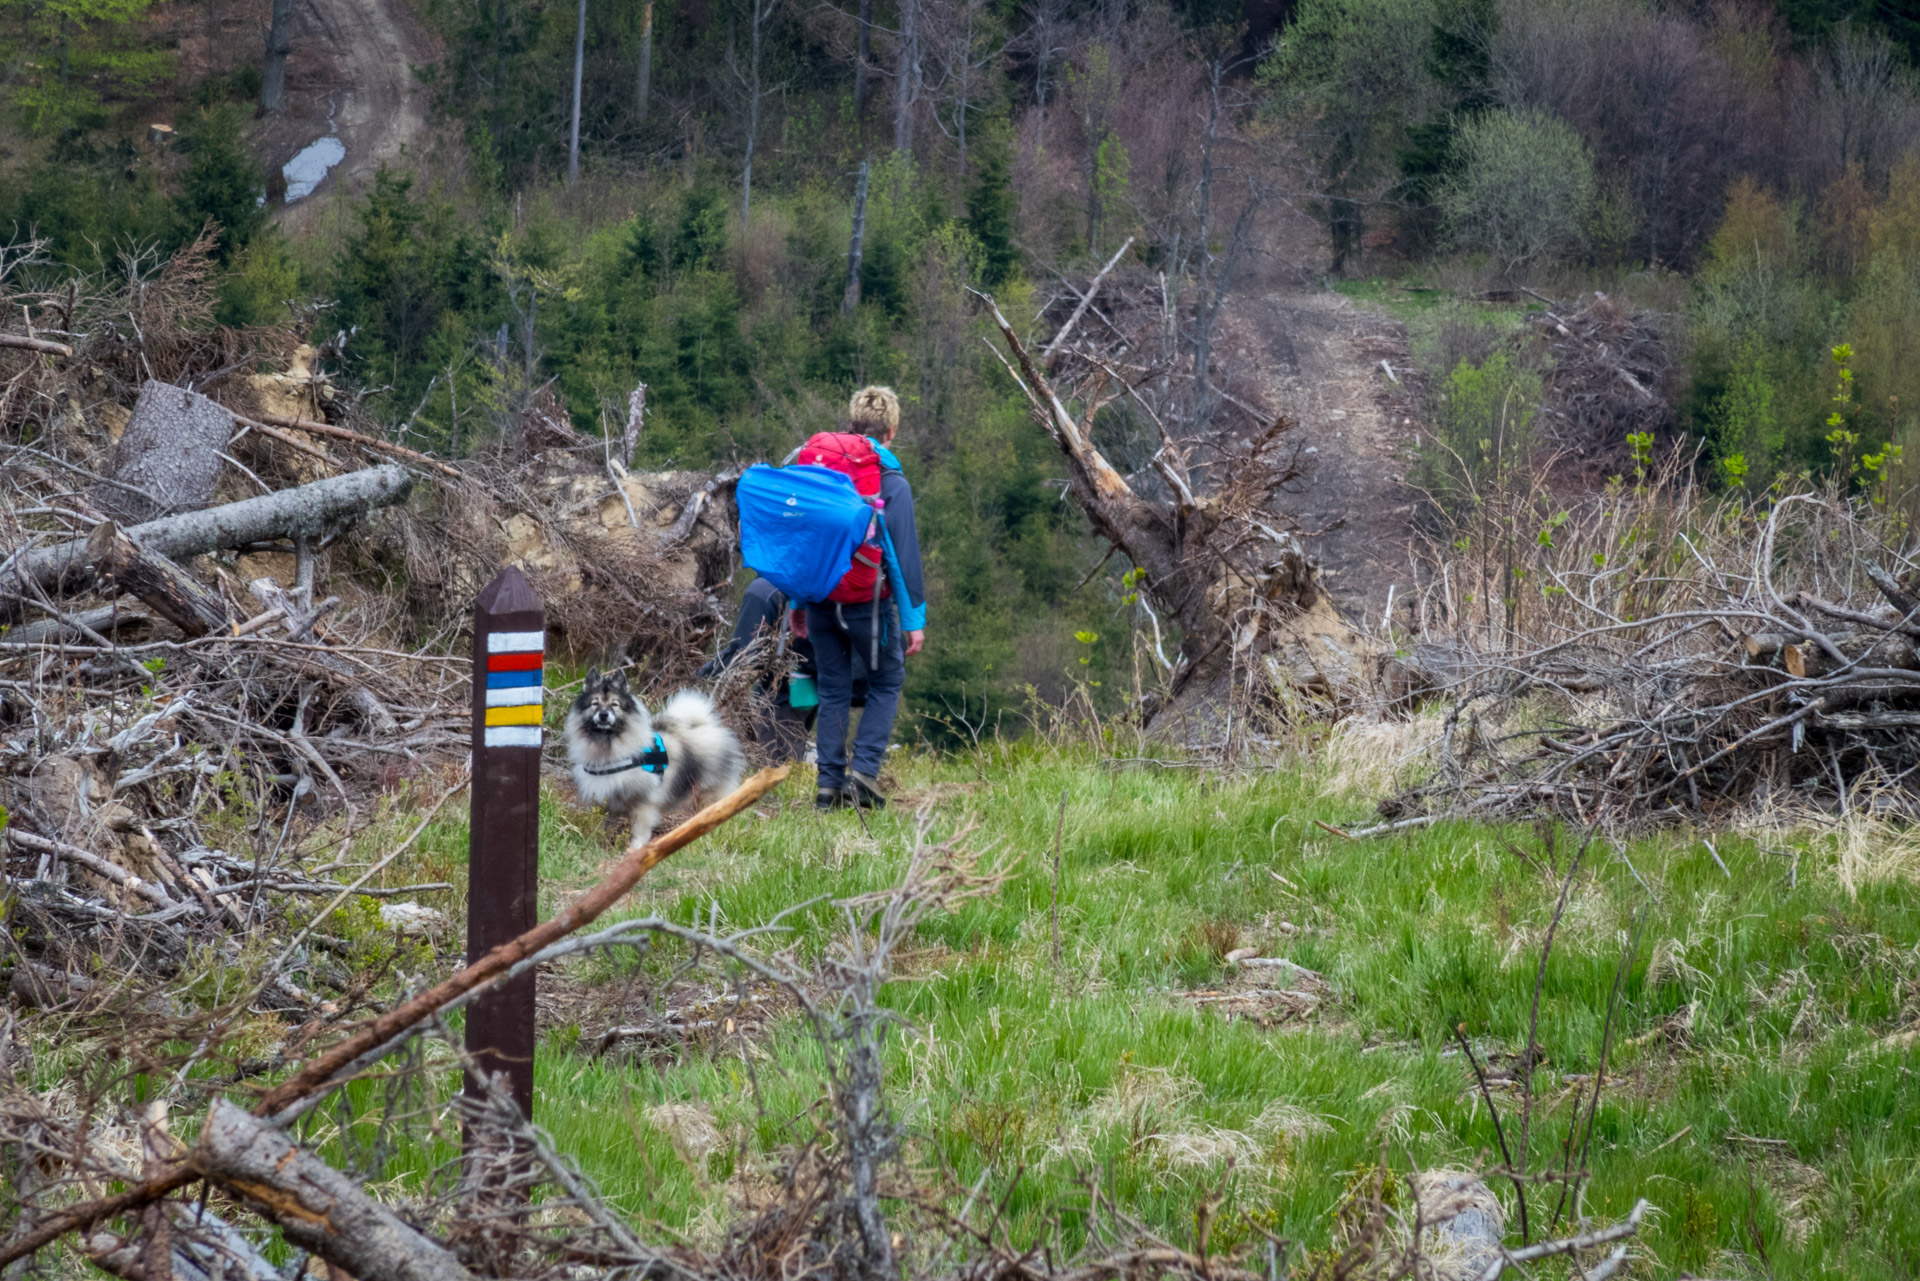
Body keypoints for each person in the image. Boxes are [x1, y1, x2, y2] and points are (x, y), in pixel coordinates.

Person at [805, 386, 926, 810]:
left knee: (834, 689)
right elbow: (904, 555)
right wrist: (914, 621)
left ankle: (827, 787)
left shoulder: (820, 469)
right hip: (868, 604)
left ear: (852, 424)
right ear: (891, 431)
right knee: (886, 681)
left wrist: (799, 604)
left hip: (820, 598)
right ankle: (864, 774)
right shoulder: (891, 481)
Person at [701, 577, 867, 762]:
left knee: (774, 759)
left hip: (784, 688)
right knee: (790, 746)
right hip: (811, 682)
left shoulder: (762, 590)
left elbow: (744, 653)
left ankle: (781, 785)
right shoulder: (809, 579)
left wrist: (703, 674)